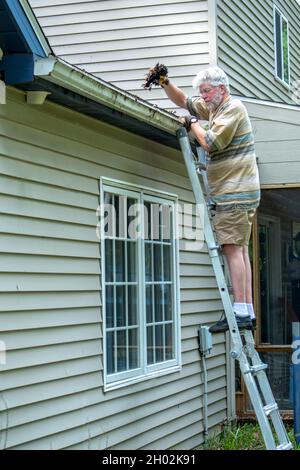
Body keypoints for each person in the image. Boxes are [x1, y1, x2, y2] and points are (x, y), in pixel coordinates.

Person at [154, 66, 260, 332]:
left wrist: (191, 124)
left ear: (221, 88)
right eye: (201, 91)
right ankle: (245, 310)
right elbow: (184, 101)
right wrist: (165, 82)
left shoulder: (232, 109)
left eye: (207, 91)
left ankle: (241, 312)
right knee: (240, 248)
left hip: (234, 190)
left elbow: (210, 143)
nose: (203, 96)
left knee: (231, 248)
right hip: (238, 189)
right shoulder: (214, 106)